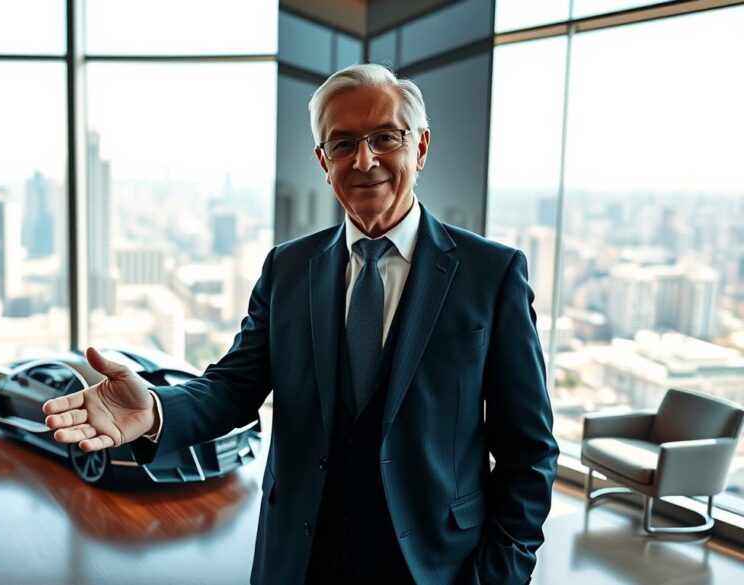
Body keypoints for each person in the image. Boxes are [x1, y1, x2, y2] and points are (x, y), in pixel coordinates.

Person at [43, 63, 559, 585]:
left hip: (436, 565)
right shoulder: (287, 268)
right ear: (322, 160)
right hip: (300, 557)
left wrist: (500, 576)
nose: (364, 159)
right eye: (342, 144)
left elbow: (529, 454)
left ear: (420, 148)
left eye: (385, 138)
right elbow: (233, 387)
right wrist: (155, 409)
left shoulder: (492, 275)